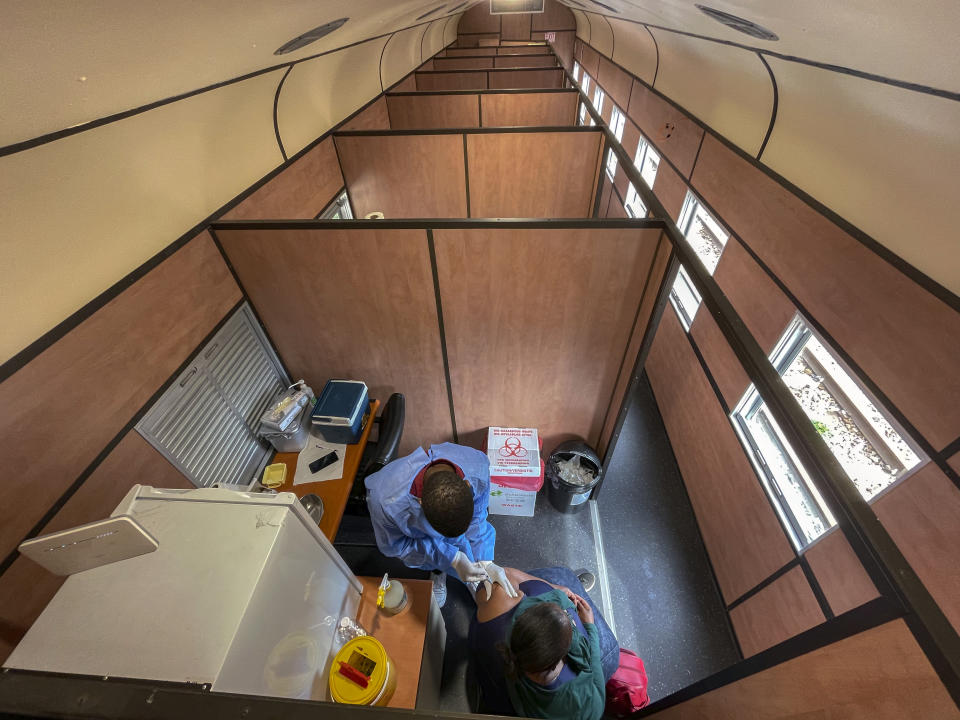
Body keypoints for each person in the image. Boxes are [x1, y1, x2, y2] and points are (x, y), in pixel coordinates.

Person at [365, 442, 516, 606]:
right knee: (437, 554)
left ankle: (475, 573)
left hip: (452, 508)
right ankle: (438, 571)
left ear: (467, 484)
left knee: (471, 540)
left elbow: (477, 517)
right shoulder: (386, 503)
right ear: (420, 502)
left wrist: (485, 561)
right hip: (413, 524)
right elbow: (397, 546)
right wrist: (453, 558)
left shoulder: (477, 467)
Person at [468, 567, 619, 717]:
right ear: (561, 657)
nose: (520, 593)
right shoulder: (592, 707)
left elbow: (496, 577)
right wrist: (589, 625)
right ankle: (572, 583)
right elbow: (597, 674)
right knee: (567, 582)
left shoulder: (501, 641)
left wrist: (552, 589)